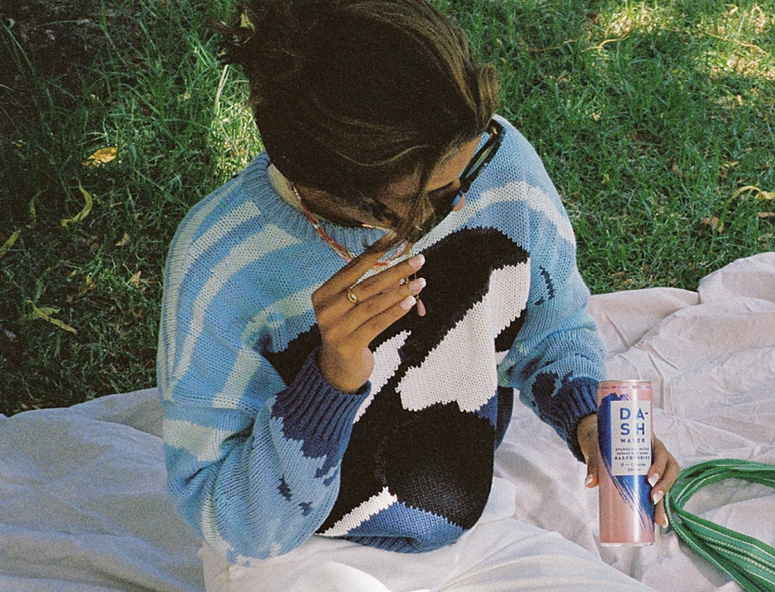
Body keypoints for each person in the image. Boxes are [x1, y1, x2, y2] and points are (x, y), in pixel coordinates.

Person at [156, 0, 680, 590]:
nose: (462, 202)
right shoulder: (224, 261)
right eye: (432, 196)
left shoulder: (495, 162)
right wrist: (329, 383)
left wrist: (586, 413)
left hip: (469, 532)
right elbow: (229, 521)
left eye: (471, 166)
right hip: (293, 555)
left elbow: (549, 326)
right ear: (329, 189)